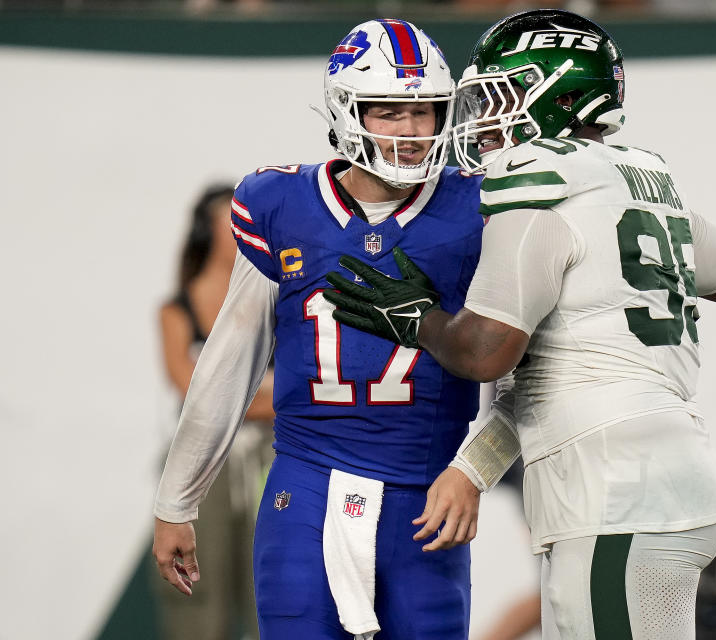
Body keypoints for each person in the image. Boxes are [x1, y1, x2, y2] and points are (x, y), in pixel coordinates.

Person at [323, 9, 716, 639]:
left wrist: (421, 321)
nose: (481, 121)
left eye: (498, 96)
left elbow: (486, 354)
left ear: (555, 97)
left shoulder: (537, 186)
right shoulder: (639, 183)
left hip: (615, 494)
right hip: (660, 479)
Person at [152, 19, 487, 639]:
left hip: (426, 491)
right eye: (389, 111)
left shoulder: (479, 210)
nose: (411, 132)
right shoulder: (283, 205)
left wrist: (477, 467)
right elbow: (230, 360)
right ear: (346, 109)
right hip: (305, 486)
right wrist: (177, 500)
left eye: (426, 112)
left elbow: (524, 369)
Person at [156, 184, 275, 640]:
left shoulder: (270, 299)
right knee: (199, 589)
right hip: (207, 463)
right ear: (209, 232)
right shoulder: (178, 308)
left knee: (265, 578)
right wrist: (255, 399)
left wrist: (234, 400)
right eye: (231, 223)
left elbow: (294, 392)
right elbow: (191, 393)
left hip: (267, 459)